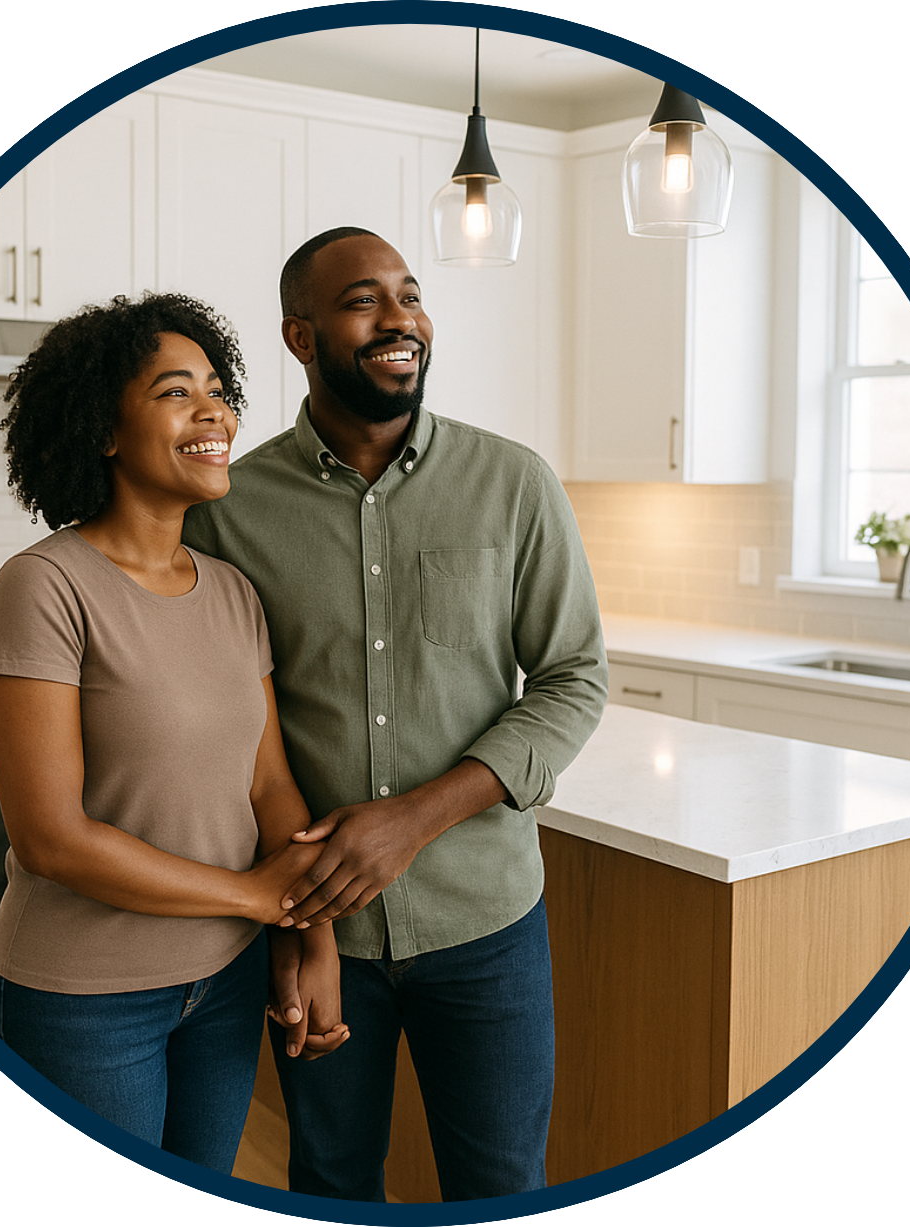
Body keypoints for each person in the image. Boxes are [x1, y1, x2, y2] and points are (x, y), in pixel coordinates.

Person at [183, 229, 608, 1200]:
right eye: (363, 299)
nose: (399, 318)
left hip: (489, 925)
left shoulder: (514, 485)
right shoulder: (228, 510)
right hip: (320, 929)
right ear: (301, 334)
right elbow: (227, 732)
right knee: (331, 1180)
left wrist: (413, 818)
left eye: (410, 296)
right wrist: (294, 923)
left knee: (500, 1184)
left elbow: (574, 675)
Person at [0, 292, 347, 1176]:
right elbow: (52, 837)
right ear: (105, 429)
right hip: (83, 997)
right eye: (177, 393)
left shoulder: (230, 590)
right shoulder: (44, 587)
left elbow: (267, 787)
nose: (215, 410)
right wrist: (254, 897)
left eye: (218, 388)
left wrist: (307, 927)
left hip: (222, 984)